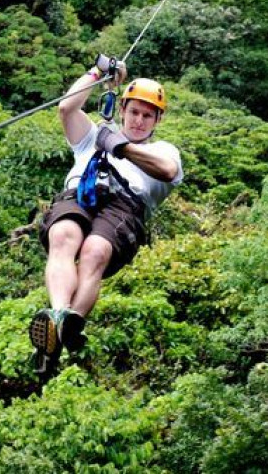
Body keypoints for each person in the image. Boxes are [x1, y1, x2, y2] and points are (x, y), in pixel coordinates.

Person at [29, 55, 183, 375]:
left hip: (125, 207)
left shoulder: (162, 151)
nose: (139, 120)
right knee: (62, 235)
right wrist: (98, 71)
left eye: (147, 116)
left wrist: (120, 147)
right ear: (123, 110)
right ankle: (59, 316)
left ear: (157, 121)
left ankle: (71, 323)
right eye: (134, 112)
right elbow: (66, 108)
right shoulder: (93, 137)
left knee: (94, 251)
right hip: (81, 193)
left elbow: (168, 172)